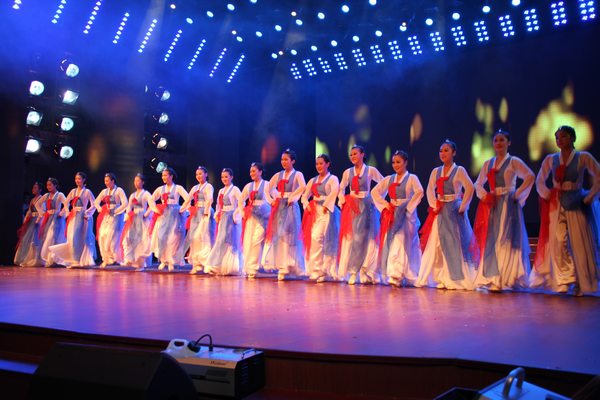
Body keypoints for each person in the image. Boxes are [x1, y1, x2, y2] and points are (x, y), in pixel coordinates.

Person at [530, 125, 600, 296]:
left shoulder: (583, 157)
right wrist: (547, 194)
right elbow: (540, 180)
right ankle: (565, 278)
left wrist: (590, 196)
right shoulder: (551, 159)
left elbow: (598, 175)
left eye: (563, 136)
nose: (559, 140)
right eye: (557, 137)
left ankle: (581, 282)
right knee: (558, 240)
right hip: (557, 202)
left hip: (576, 201)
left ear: (572, 138)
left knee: (578, 242)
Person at [473, 130, 535, 291]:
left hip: (509, 204)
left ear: (509, 142)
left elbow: (530, 176)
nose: (498, 143)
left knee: (506, 239)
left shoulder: (513, 161)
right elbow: (478, 183)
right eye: (496, 140)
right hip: (494, 204)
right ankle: (495, 277)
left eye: (502, 140)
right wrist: (485, 196)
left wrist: (517, 194)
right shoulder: (488, 163)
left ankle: (507, 277)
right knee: (494, 239)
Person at [416, 140, 479, 290]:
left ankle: (455, 278)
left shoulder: (459, 170)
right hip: (440, 211)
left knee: (454, 243)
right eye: (441, 151)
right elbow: (430, 189)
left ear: (453, 153)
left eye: (446, 150)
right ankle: (439, 277)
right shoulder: (436, 171)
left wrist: (462, 207)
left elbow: (470, 188)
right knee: (437, 243)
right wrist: (434, 205)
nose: (443, 153)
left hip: (454, 211)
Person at [371, 150, 423, 287]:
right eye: (393, 162)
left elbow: (419, 192)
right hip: (393, 214)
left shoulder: (412, 178)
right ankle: (396, 274)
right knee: (395, 242)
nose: (395, 165)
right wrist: (385, 205)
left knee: (406, 244)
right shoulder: (389, 179)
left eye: (398, 162)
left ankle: (407, 273)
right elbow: (375, 192)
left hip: (407, 216)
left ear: (405, 162)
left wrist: (408, 207)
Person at [337, 145, 384, 285]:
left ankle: (366, 270)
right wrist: (342, 199)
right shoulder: (347, 172)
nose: (352, 156)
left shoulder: (371, 170)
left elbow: (384, 184)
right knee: (354, 239)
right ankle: (353, 271)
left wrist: (377, 200)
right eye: (351, 154)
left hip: (367, 206)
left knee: (370, 239)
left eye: (355, 154)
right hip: (353, 207)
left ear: (362, 154)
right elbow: (341, 188)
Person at [262, 148, 306, 280]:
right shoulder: (278, 175)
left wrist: (293, 197)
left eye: (286, 159)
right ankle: (283, 265)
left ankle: (293, 265)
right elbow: (268, 188)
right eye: (282, 159)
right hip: (280, 206)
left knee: (291, 234)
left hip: (291, 206)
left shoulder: (297, 174)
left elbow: (303, 187)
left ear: (293, 161)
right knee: (280, 234)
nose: (283, 162)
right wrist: (273, 199)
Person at [301, 154, 340, 282]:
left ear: (327, 164)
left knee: (325, 239)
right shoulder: (313, 180)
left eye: (321, 163)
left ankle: (327, 270)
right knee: (315, 239)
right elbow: (304, 196)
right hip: (315, 212)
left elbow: (334, 192)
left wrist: (327, 205)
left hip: (327, 212)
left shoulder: (333, 179)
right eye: (317, 164)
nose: (318, 166)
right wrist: (307, 205)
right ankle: (317, 269)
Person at [47, 172, 97, 268]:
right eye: (76, 179)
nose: (77, 180)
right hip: (73, 216)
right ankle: (74, 259)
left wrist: (87, 212)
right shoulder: (73, 191)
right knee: (72, 237)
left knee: (81, 238)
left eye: (79, 179)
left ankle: (80, 259)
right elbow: (66, 202)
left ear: (84, 179)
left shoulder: (87, 192)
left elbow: (94, 204)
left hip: (82, 217)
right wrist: (67, 212)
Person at [149, 167, 189, 271]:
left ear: (171, 176)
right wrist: (156, 210)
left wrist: (181, 209)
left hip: (175, 215)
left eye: (165, 175)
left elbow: (188, 199)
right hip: (164, 215)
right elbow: (151, 200)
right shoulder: (160, 189)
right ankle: (163, 260)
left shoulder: (178, 188)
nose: (163, 177)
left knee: (173, 238)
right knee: (162, 237)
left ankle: (171, 260)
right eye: (162, 175)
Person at [205, 168, 243, 275]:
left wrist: (236, 215)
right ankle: (218, 265)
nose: (224, 179)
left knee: (231, 241)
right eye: (222, 177)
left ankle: (232, 267)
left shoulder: (235, 189)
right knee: (221, 240)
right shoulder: (221, 191)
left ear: (231, 177)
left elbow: (242, 203)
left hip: (232, 218)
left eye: (226, 176)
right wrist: (217, 213)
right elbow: (218, 205)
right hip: (223, 217)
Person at [238, 162, 272, 278]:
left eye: (254, 171)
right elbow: (241, 200)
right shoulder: (248, 186)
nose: (251, 173)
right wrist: (242, 212)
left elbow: (275, 196)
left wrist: (272, 206)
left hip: (263, 216)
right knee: (249, 241)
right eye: (250, 171)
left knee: (257, 240)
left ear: (260, 172)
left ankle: (254, 267)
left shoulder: (267, 185)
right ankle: (251, 265)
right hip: (252, 216)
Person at [182, 166, 215, 275]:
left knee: (205, 237)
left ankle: (207, 263)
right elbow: (188, 199)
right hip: (196, 213)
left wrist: (206, 212)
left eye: (200, 174)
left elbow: (209, 199)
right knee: (194, 238)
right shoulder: (195, 187)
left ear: (206, 174)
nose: (198, 176)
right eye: (197, 174)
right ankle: (196, 264)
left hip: (205, 213)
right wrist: (182, 210)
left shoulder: (208, 186)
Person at [121, 173, 154, 270]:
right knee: (129, 239)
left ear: (143, 182)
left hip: (142, 219)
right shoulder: (133, 195)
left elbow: (152, 205)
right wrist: (128, 215)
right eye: (135, 181)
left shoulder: (146, 194)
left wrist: (146, 214)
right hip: (134, 219)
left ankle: (141, 263)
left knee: (142, 240)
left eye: (138, 180)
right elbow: (129, 207)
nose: (136, 183)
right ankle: (129, 259)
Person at [94, 173, 128, 267]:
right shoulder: (104, 191)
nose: (106, 183)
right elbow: (96, 202)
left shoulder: (119, 190)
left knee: (112, 237)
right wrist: (100, 209)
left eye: (107, 181)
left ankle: (115, 258)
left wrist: (116, 211)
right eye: (105, 181)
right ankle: (106, 258)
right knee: (102, 235)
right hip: (107, 216)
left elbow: (125, 203)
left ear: (113, 181)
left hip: (116, 216)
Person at [36, 178, 67, 266]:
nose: (48, 187)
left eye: (50, 185)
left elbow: (66, 203)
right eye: (47, 185)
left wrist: (61, 213)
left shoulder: (60, 195)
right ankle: (49, 259)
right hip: (48, 218)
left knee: (53, 237)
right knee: (47, 237)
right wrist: (42, 213)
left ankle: (54, 259)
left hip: (57, 219)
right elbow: (37, 204)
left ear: (55, 185)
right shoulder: (46, 195)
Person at [14, 182, 43, 267]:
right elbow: (30, 211)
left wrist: (38, 220)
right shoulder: (32, 200)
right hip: (31, 221)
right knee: (26, 239)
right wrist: (26, 219)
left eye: (35, 188)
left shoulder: (41, 199)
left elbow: (43, 211)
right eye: (33, 187)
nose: (33, 189)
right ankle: (25, 258)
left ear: (40, 189)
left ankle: (34, 259)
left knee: (35, 239)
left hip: (38, 221)